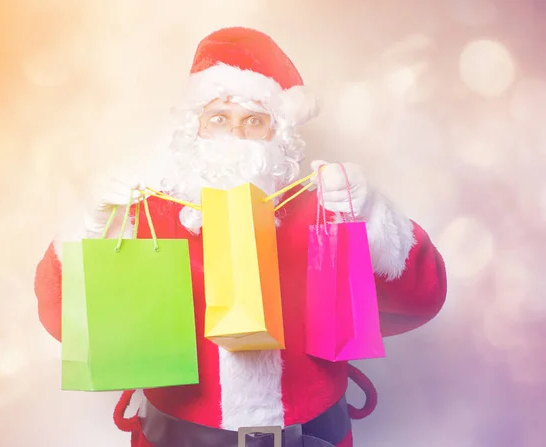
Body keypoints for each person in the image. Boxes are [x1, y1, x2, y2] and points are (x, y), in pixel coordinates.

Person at [34, 27, 447, 447]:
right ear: (193, 128)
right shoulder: (151, 216)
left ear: (277, 132)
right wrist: (94, 225)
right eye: (218, 118)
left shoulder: (324, 209)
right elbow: (61, 320)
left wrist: (372, 215)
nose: (235, 134)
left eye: (254, 120)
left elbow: (422, 298)